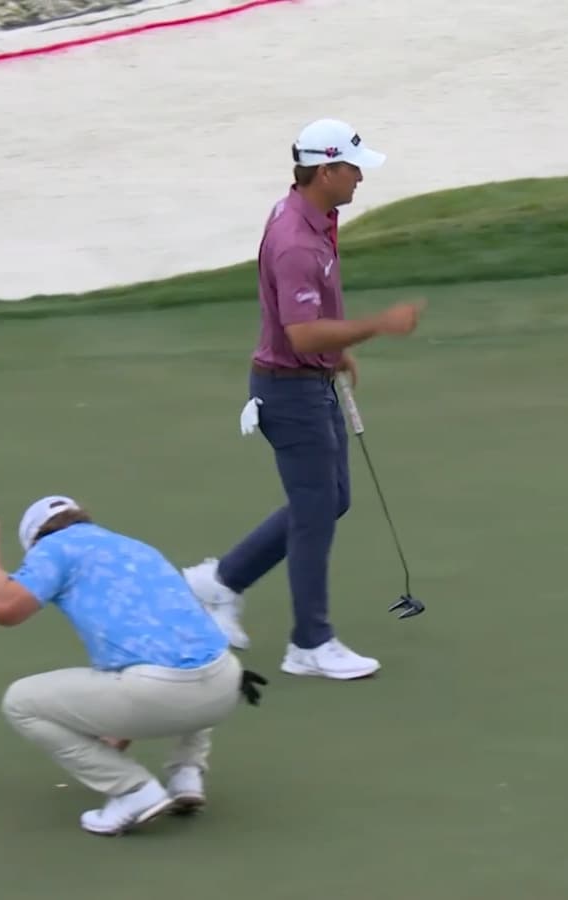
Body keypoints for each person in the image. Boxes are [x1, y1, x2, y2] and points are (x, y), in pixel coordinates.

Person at [182, 117, 425, 681]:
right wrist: (377, 326)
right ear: (325, 170)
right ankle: (309, 643)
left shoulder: (313, 215)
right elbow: (302, 333)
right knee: (317, 510)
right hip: (289, 393)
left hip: (304, 382)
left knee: (329, 499)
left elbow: (308, 321)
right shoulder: (295, 239)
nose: (361, 178)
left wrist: (336, 350)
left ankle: (220, 582)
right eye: (353, 168)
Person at [0, 494, 266, 836]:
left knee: (20, 702)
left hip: (159, 692)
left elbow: (4, 609)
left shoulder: (54, 547)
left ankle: (133, 790)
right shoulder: (135, 548)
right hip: (225, 685)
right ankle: (186, 776)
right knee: (186, 653)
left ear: (34, 541)